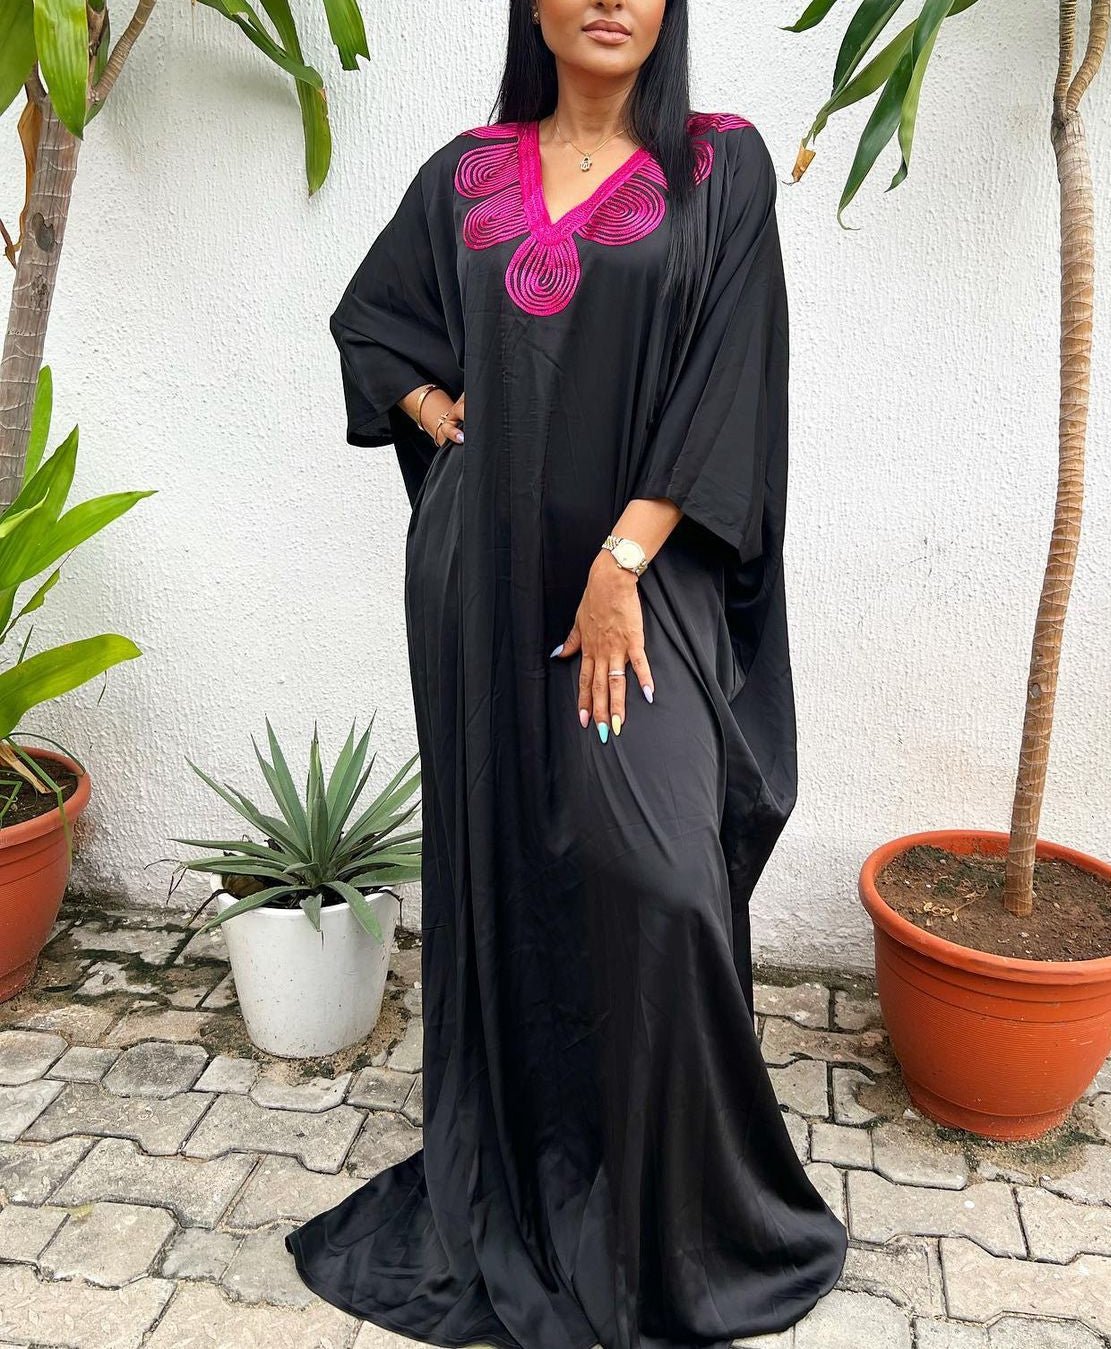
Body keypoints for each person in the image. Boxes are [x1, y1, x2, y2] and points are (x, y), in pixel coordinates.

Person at [284, 2, 849, 1345]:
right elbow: (374, 324)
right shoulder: (469, 173)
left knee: (659, 881)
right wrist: (439, 410)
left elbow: (731, 375)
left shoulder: (721, 165)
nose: (611, 0)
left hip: (640, 590)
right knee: (517, 875)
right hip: (486, 586)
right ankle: (536, 1169)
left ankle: (683, 1217)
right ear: (536, 6)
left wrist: (623, 561)